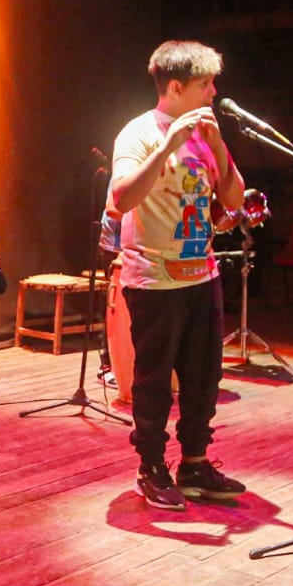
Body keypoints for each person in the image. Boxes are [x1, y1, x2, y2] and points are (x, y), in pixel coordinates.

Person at [107, 40, 249, 511]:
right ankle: (150, 467)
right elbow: (120, 200)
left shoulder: (206, 135)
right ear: (175, 87)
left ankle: (194, 462)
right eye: (205, 84)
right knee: (153, 382)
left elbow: (234, 199)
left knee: (203, 378)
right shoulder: (138, 133)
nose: (213, 92)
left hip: (201, 275)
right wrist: (168, 145)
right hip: (156, 279)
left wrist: (218, 147)